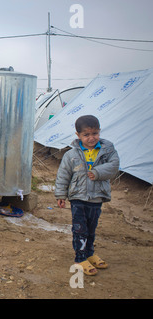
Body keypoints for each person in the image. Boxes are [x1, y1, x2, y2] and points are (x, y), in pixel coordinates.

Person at [55, 115, 119, 275]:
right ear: (78, 135)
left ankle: (89, 254)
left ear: (99, 132)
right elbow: (63, 175)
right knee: (79, 229)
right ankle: (80, 258)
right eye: (86, 135)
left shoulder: (107, 150)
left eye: (95, 133)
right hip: (78, 197)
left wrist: (97, 172)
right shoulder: (71, 155)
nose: (91, 138)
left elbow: (114, 166)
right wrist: (60, 195)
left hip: (97, 196)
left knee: (91, 228)